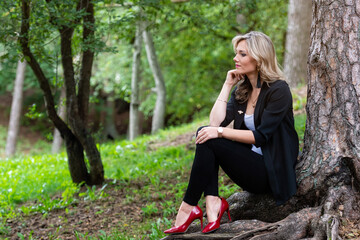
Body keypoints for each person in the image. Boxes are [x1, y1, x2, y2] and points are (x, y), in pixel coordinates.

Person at [164, 31, 299, 234]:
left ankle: (190, 206)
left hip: (271, 173)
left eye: (242, 54)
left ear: (259, 57)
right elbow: (215, 122)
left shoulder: (278, 90)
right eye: (236, 53)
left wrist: (219, 132)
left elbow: (260, 137)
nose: (235, 58)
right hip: (249, 166)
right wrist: (227, 85)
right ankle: (211, 203)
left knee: (212, 135)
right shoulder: (242, 90)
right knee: (205, 133)